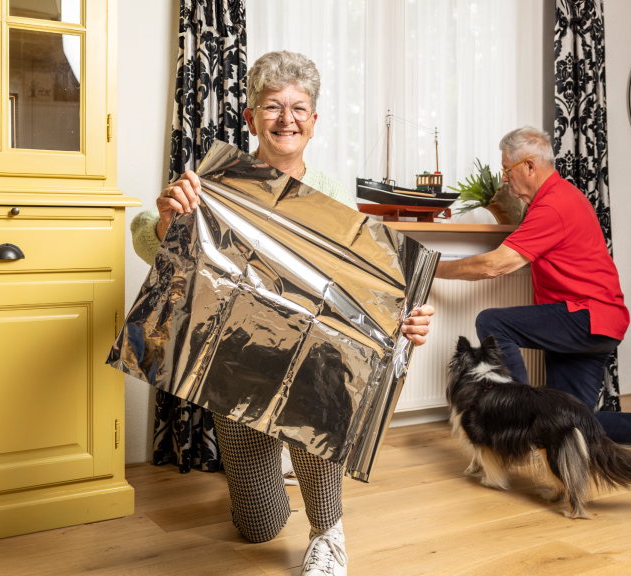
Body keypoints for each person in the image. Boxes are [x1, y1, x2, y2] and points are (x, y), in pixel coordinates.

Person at [131, 51, 434, 576]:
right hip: (235, 370)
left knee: (323, 393)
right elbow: (141, 237)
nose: (285, 118)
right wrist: (166, 221)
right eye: (272, 107)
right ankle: (274, 463)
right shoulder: (218, 181)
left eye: (298, 108)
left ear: (314, 123)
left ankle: (328, 530)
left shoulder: (333, 199)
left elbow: (373, 290)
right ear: (251, 118)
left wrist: (408, 322)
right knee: (258, 528)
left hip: (309, 371)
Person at [434, 126, 631, 457]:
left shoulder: (553, 205)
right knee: (568, 425)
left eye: (507, 170)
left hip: (585, 317)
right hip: (596, 321)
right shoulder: (555, 199)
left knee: (492, 322)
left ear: (529, 166)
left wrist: (434, 269)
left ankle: (515, 411)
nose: (504, 180)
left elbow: (494, 265)